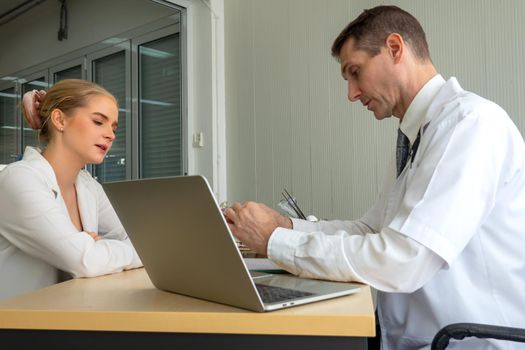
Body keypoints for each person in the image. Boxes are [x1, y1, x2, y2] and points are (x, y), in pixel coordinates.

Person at [224, 5, 525, 350]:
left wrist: (274, 240)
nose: (351, 94)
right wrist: (288, 227)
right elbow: (373, 231)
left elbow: (403, 261)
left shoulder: (469, 125)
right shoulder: (416, 136)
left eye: (355, 72)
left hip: (469, 344)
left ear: (395, 49)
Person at [0, 79, 142, 300]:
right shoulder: (19, 179)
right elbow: (85, 261)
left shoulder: (87, 185)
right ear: (59, 120)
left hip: (69, 313)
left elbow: (139, 238)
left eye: (114, 127)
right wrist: (92, 250)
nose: (111, 135)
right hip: (15, 324)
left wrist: (100, 248)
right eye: (98, 122)